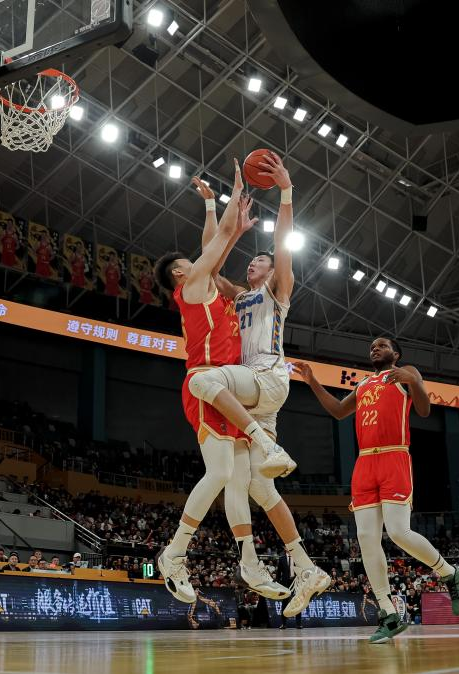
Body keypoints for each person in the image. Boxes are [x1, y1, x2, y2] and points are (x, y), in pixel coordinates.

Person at [151, 159, 293, 604]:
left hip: (230, 388)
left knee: (235, 478)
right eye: (191, 262)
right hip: (206, 382)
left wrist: (215, 208)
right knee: (220, 472)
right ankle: (174, 554)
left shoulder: (212, 288)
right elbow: (216, 246)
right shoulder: (192, 287)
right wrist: (232, 192)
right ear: (180, 272)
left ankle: (247, 561)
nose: (201, 261)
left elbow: (215, 246)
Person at [207, 154, 330, 616]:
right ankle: (306, 566)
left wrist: (286, 192)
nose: (255, 264)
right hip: (256, 396)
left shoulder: (277, 290)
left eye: (261, 261)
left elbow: (282, 245)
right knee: (256, 487)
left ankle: (269, 446)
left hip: (267, 377)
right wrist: (231, 225)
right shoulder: (238, 295)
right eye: (253, 261)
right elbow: (208, 267)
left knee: (206, 381)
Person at [295, 337, 459, 643]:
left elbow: (424, 410)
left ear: (395, 354)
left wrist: (413, 381)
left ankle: (450, 573)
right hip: (365, 463)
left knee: (399, 532)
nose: (375, 348)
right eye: (372, 347)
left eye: (382, 345)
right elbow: (338, 411)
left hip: (394, 456)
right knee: (366, 538)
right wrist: (312, 381)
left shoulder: (406, 373)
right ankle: (389, 613)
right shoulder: (363, 384)